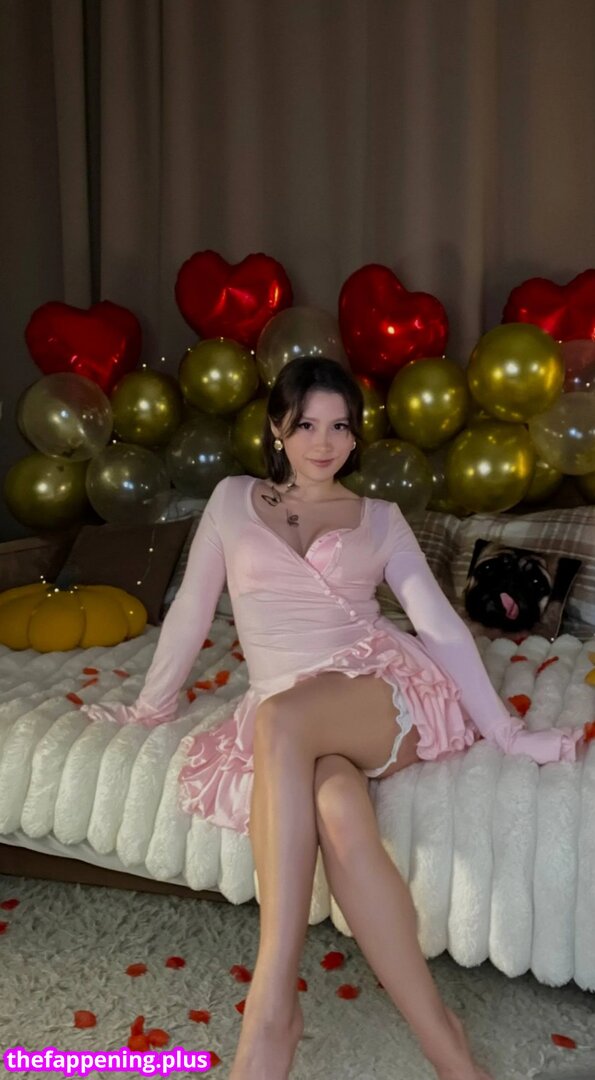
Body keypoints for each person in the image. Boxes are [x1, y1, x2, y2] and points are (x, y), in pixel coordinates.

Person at [83, 356, 584, 1080]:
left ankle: (271, 1006)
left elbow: (439, 627)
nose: (324, 443)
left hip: (376, 688)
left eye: (341, 427)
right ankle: (447, 1047)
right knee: (338, 806)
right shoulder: (231, 500)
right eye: (307, 425)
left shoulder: (379, 519)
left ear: (355, 436)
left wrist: (507, 731)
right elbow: (191, 608)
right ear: (276, 429)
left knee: (282, 722)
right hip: (290, 706)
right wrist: (150, 705)